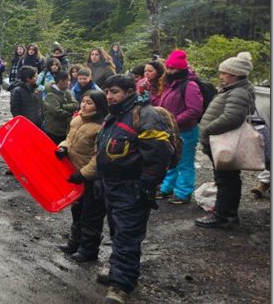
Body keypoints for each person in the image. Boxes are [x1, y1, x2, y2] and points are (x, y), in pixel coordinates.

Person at [95, 74, 171, 304]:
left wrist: (147, 185)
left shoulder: (146, 115)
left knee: (127, 235)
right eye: (107, 91)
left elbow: (158, 154)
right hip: (111, 184)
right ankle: (119, 272)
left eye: (114, 92)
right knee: (117, 232)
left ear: (130, 92)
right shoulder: (115, 114)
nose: (109, 96)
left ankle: (120, 286)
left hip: (132, 187)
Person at [196, 52, 256, 229]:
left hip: (222, 142)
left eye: (224, 73)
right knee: (227, 178)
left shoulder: (238, 92)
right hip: (219, 141)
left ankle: (222, 215)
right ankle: (228, 213)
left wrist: (208, 129)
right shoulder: (234, 89)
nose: (221, 76)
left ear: (234, 74)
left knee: (226, 179)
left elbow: (233, 117)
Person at [56, 90, 107, 263]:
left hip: (91, 179)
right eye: (83, 101)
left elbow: (98, 157)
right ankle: (74, 242)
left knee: (90, 215)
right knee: (76, 211)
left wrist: (84, 174)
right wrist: (63, 147)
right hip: (75, 174)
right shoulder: (77, 119)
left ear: (99, 106)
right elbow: (69, 139)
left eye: (89, 103)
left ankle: (88, 249)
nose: (84, 105)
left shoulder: (101, 128)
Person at [155, 50, 204, 205]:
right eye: (168, 68)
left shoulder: (190, 85)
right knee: (172, 161)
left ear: (181, 69)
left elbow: (194, 110)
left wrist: (173, 122)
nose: (169, 71)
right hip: (171, 132)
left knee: (184, 163)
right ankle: (167, 188)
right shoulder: (171, 85)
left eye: (173, 68)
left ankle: (183, 193)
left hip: (186, 131)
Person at [43, 71, 79, 145]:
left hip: (65, 128)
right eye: (68, 80)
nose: (69, 83)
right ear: (61, 81)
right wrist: (70, 113)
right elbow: (57, 111)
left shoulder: (67, 91)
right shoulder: (50, 95)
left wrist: (62, 106)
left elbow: (76, 105)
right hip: (54, 130)